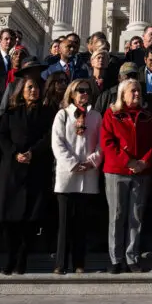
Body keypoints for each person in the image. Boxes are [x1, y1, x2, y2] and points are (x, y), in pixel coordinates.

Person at [0, 72, 57, 275]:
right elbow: (2, 136)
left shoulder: (47, 113)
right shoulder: (11, 112)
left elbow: (49, 136)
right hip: (12, 171)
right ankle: (10, 257)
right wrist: (14, 153)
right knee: (9, 219)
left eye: (36, 87)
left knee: (30, 219)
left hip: (36, 169)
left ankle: (22, 260)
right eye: (29, 88)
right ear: (21, 91)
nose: (33, 91)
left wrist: (32, 153)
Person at [100, 79, 152, 273]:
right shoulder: (112, 114)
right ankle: (116, 259)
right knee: (116, 215)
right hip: (117, 171)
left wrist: (144, 162)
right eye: (133, 91)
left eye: (139, 90)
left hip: (141, 173)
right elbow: (107, 142)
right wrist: (128, 161)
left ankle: (132, 257)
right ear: (122, 94)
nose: (137, 94)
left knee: (136, 216)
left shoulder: (147, 115)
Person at [51, 79, 103, 274]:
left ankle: (79, 262)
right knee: (64, 223)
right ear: (72, 94)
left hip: (88, 175)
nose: (84, 94)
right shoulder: (63, 115)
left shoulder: (96, 116)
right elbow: (57, 143)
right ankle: (60, 263)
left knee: (82, 223)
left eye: (87, 91)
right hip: (67, 176)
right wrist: (73, 163)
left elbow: (101, 143)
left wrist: (91, 161)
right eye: (80, 90)